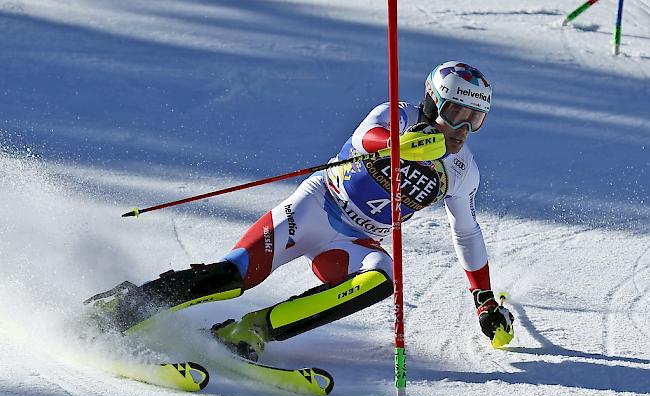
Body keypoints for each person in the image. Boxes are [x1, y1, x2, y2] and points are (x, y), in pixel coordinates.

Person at [88, 60, 514, 361]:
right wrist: (397, 146)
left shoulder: (462, 171)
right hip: (313, 209)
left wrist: (484, 300)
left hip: (355, 240)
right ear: (432, 102)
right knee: (233, 277)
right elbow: (369, 138)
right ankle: (125, 307)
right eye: (455, 113)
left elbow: (466, 233)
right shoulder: (394, 117)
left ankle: (250, 331)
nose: (461, 130)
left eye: (475, 120)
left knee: (382, 280)